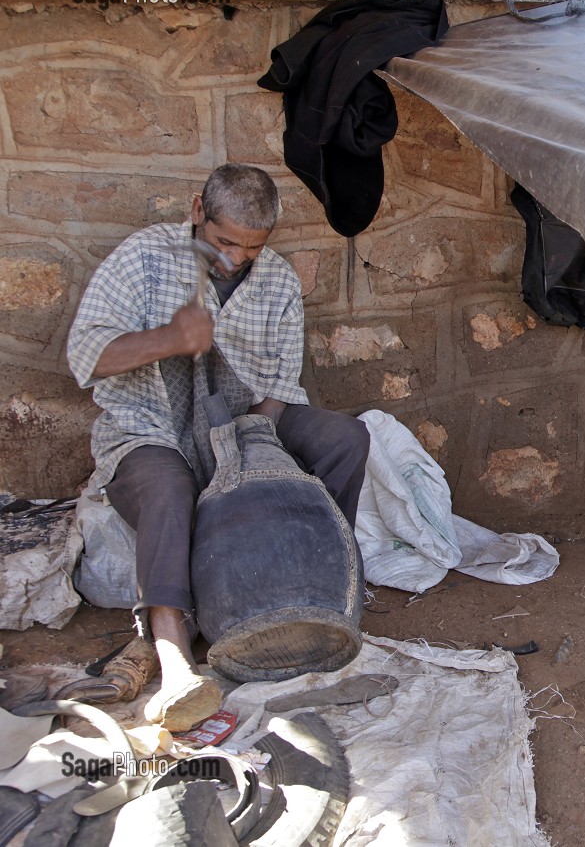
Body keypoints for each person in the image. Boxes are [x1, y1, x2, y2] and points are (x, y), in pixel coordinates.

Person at [67, 164, 369, 731]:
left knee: (345, 439)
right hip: (149, 427)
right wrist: (169, 339)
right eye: (224, 242)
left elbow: (278, 387)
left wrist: (250, 454)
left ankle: (319, 587)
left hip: (244, 425)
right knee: (169, 486)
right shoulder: (144, 258)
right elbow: (86, 356)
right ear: (197, 211)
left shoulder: (276, 280)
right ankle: (174, 653)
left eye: (252, 248)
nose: (236, 259)